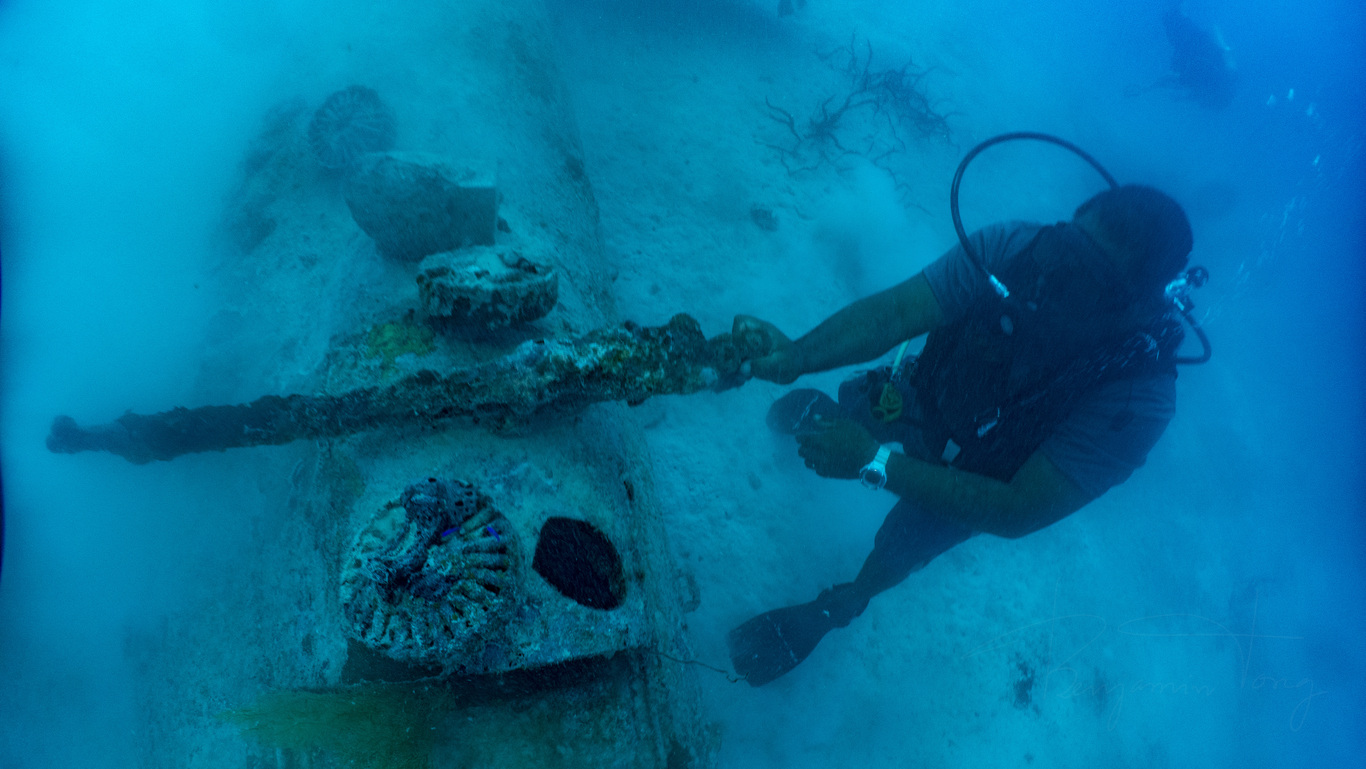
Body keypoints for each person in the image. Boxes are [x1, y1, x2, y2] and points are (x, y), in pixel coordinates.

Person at [727, 184, 1193, 686]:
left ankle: (843, 603)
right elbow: (895, 314)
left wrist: (874, 463)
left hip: (979, 478)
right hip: (925, 395)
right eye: (1066, 247)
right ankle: (847, 425)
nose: (1059, 275)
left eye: (1090, 276)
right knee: (860, 408)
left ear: (1140, 303)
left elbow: (1018, 510)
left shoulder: (1136, 397)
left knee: (902, 545)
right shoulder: (1014, 248)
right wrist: (798, 355)